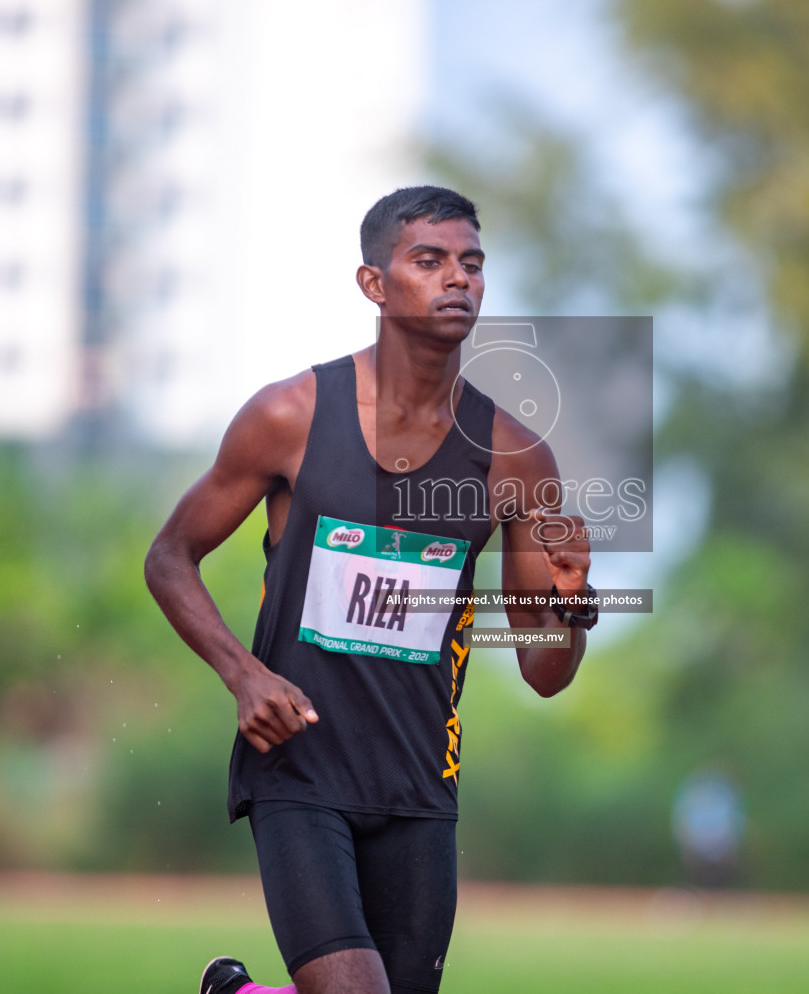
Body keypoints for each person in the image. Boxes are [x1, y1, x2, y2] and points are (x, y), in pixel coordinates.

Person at [144, 185, 599, 994]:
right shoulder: (290, 416)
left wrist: (570, 606)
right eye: (429, 261)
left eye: (471, 264)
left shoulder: (515, 459)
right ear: (374, 285)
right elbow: (170, 556)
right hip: (299, 769)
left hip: (420, 786)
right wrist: (244, 675)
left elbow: (543, 670)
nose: (457, 279)